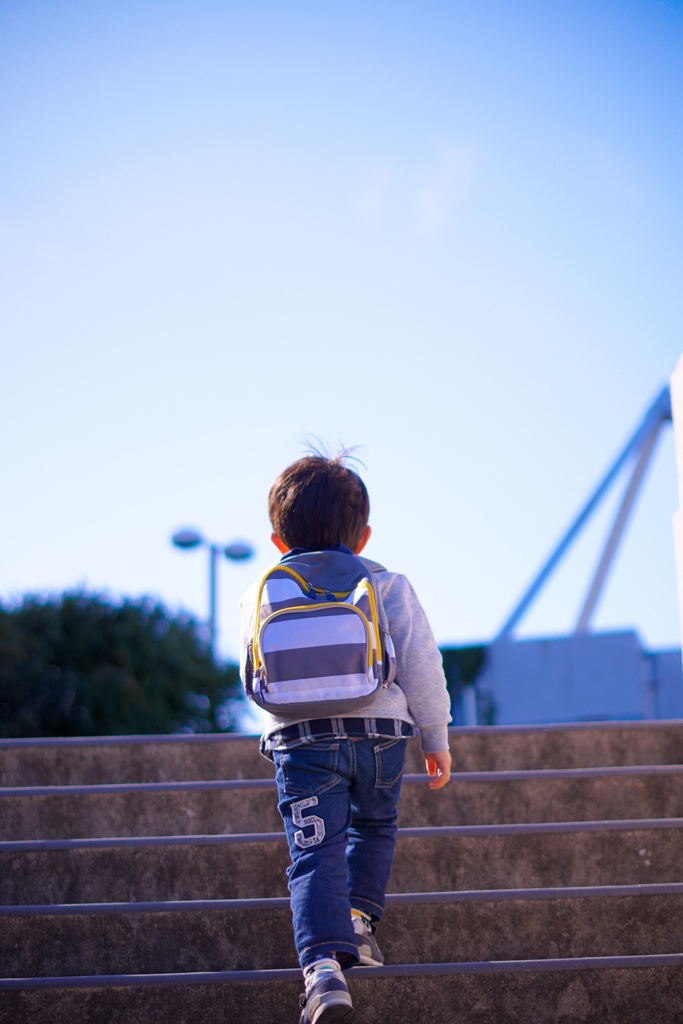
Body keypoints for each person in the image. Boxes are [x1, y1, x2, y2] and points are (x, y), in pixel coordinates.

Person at [239, 452, 452, 1024]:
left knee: (314, 851)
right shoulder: (387, 583)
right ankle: (358, 926)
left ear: (278, 540)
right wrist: (435, 736)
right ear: (363, 536)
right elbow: (422, 664)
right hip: (381, 732)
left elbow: (253, 674)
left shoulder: (263, 589)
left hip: (302, 740)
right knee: (375, 825)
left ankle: (322, 973)